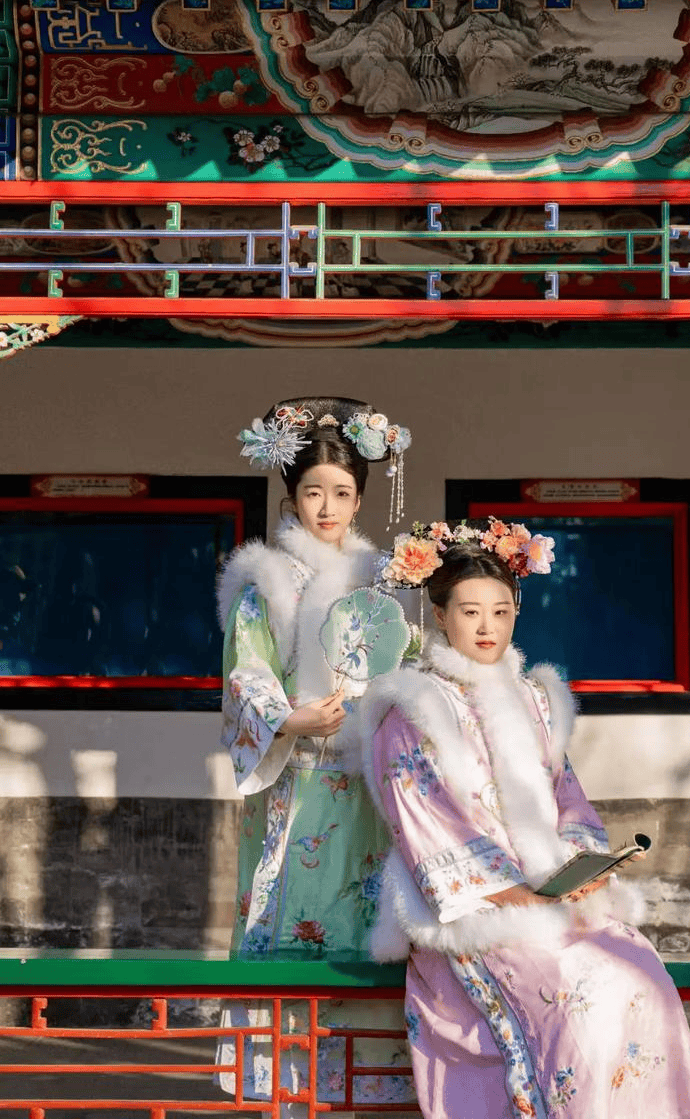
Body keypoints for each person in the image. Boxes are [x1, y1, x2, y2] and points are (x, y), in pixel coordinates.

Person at [357, 522, 690, 1119]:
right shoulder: (414, 710)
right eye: (470, 612)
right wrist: (512, 893)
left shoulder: (534, 700)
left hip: (549, 894)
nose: (487, 626)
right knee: (582, 998)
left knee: (642, 978)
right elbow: (423, 821)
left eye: (500, 611)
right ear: (440, 615)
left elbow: (566, 794)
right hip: (475, 910)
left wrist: (581, 868)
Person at [215, 396, 416, 1109]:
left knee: (369, 919)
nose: (327, 508)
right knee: (290, 912)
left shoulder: (386, 579)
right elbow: (244, 675)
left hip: (367, 787)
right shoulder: (266, 580)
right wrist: (288, 718)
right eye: (312, 492)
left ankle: (367, 1082)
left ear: (360, 498)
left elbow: (410, 668)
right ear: (291, 495)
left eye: (341, 493)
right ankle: (280, 1085)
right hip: (294, 780)